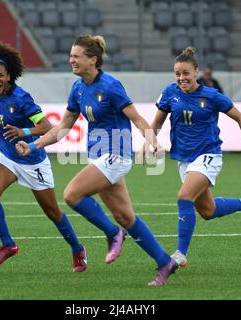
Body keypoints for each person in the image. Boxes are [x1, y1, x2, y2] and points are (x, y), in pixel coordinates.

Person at [16, 35, 177, 286]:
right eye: (70, 55)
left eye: (76, 56)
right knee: (126, 216)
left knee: (72, 195)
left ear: (93, 60)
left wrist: (152, 140)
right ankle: (165, 262)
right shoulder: (78, 88)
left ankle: (113, 233)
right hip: (99, 156)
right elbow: (63, 127)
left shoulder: (111, 86)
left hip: (116, 155)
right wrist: (34, 144)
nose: (71, 60)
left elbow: (135, 117)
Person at [0, 42, 87, 272]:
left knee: (52, 212)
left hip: (32, 160)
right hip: (6, 156)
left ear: (9, 75)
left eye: (0, 76)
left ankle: (77, 248)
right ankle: (8, 245)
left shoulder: (22, 98)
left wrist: (23, 132)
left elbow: (46, 127)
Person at [148, 47, 241, 269]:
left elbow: (240, 118)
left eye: (186, 73)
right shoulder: (169, 93)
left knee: (184, 197)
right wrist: (152, 142)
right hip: (184, 160)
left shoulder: (211, 95)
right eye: (177, 74)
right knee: (207, 211)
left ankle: (180, 254)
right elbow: (156, 124)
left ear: (196, 72)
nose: (181, 78)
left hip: (208, 155)